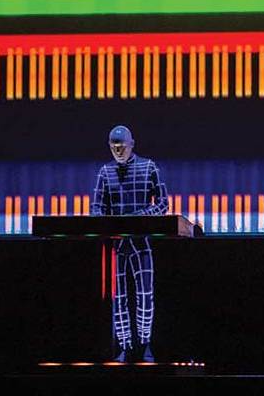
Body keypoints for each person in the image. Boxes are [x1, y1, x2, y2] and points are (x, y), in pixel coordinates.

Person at [91, 125, 169, 363]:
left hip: (141, 241)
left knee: (146, 294)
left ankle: (145, 344)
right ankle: (125, 345)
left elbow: (164, 203)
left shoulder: (148, 167)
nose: (118, 151)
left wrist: (143, 217)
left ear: (132, 144)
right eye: (114, 147)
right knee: (119, 297)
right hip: (117, 245)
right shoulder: (105, 172)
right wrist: (105, 223)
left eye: (122, 146)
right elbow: (96, 207)